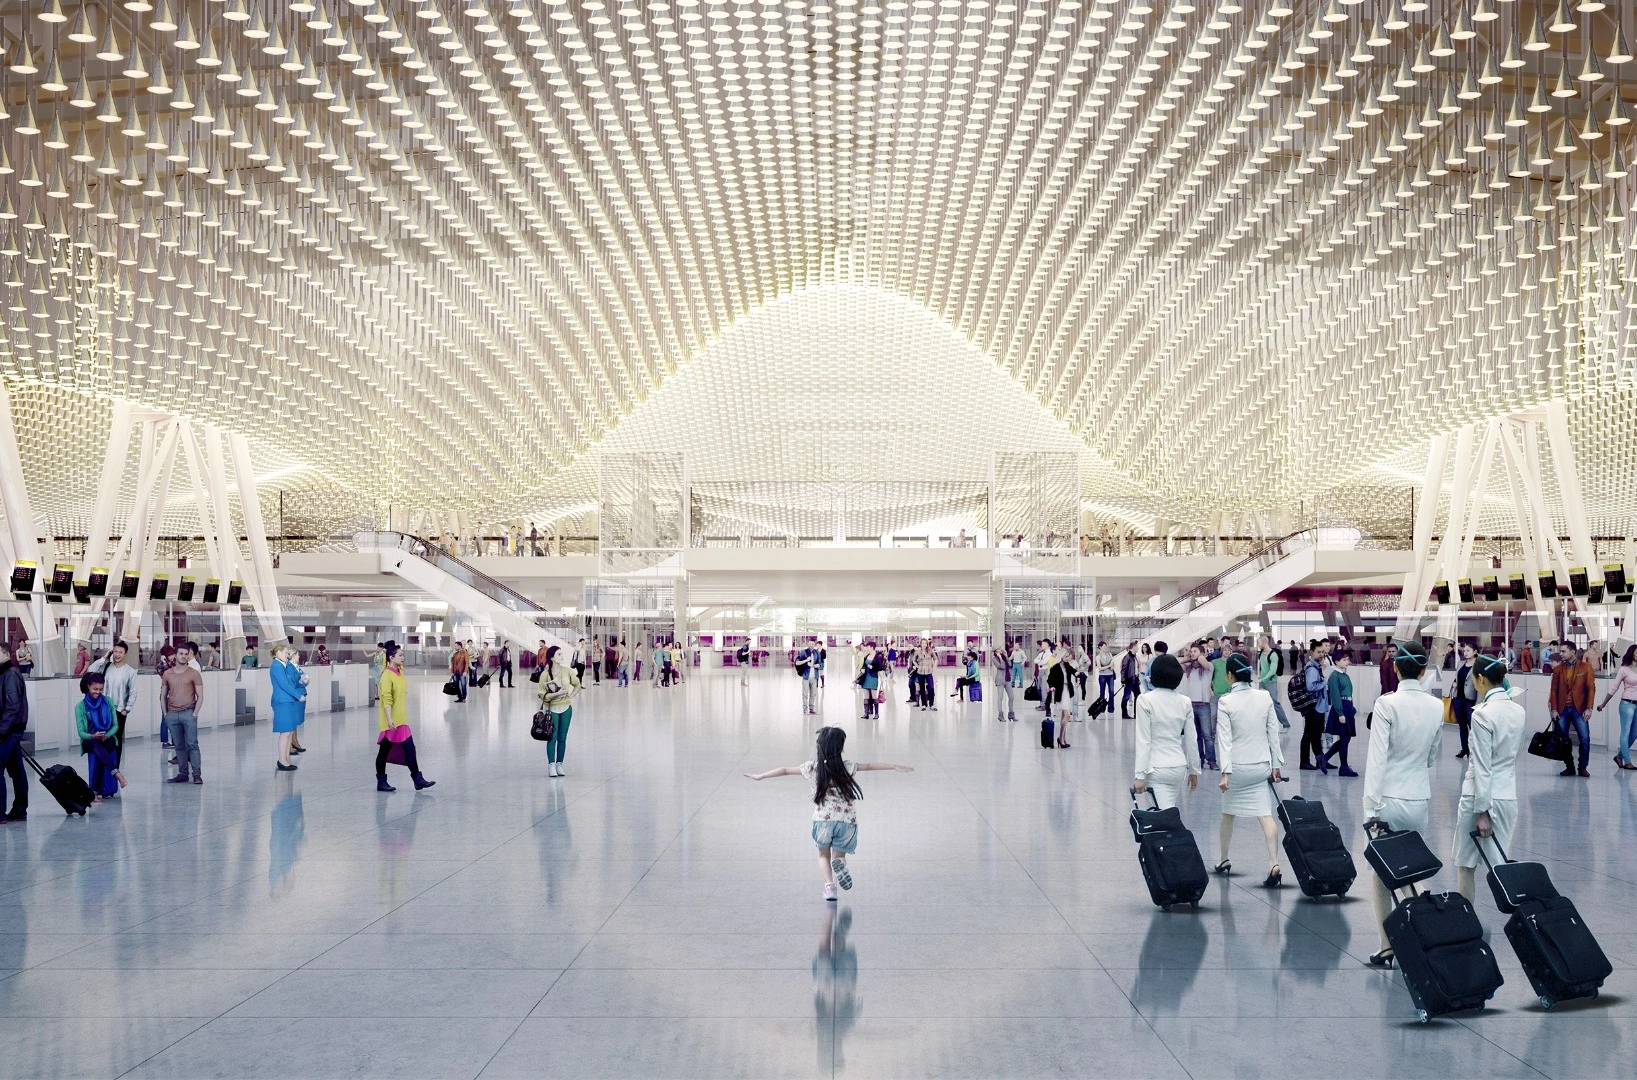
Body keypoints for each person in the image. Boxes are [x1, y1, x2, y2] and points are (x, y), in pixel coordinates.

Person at [743, 726, 914, 901]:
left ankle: (830, 887)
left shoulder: (811, 768)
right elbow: (870, 765)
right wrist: (894, 766)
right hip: (846, 821)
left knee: (823, 856)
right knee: (837, 856)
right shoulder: (847, 767)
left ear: (819, 746)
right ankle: (841, 863)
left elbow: (785, 770)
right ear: (841, 748)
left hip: (822, 821)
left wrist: (761, 776)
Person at [1360, 640, 1445, 968]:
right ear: (1424, 670)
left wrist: (1371, 809)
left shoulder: (1386, 704)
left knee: (1381, 875)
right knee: (1411, 868)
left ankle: (1387, 946)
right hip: (1418, 798)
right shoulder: (1436, 706)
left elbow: (1377, 760)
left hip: (1387, 799)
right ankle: (1426, 932)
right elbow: (1432, 755)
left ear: (1395, 668)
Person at [1453, 654, 1526, 903]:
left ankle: (1465, 921)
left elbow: (1482, 766)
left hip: (1479, 798)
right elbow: (1516, 754)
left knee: (1466, 864)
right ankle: (1526, 917)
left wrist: (1483, 811)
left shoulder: (1482, 714)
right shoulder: (1518, 711)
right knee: (1500, 865)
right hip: (1507, 796)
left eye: (1473, 679)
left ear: (1481, 679)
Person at [1213, 654, 1285, 887]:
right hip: (1261, 766)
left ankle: (1224, 859)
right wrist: (1276, 765)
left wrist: (1225, 772)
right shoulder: (1264, 697)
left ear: (1230, 675)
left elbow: (1224, 740)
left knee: (1228, 814)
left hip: (1237, 769)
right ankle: (1273, 862)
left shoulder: (1226, 702)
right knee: (1265, 815)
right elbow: (1273, 732)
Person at [1132, 654, 1201, 810]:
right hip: (1178, 767)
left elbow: (1144, 740)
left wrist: (1139, 775)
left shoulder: (1145, 700)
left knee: (1164, 814)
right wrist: (1194, 770)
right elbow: (1191, 739)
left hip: (1156, 768)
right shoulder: (1185, 702)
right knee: (1166, 811)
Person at [375, 642, 435, 792]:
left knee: (410, 749)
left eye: (403, 655)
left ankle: (417, 779)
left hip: (402, 719)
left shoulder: (400, 671)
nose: (403, 658)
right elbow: (386, 699)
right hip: (391, 721)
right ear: (391, 657)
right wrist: (389, 719)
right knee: (384, 751)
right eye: (400, 655)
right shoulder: (386, 676)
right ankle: (381, 781)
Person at [1550, 642, 1595, 778]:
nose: (1561, 654)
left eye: (1563, 651)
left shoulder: (1586, 667)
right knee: (1563, 740)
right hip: (1562, 709)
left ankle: (1583, 767)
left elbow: (1591, 688)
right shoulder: (1558, 669)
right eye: (1560, 651)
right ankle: (1569, 766)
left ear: (1573, 652)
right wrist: (1554, 709)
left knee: (1585, 738)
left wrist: (1589, 708)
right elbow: (1554, 690)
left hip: (1579, 709)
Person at [161, 642, 205, 785]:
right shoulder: (167, 674)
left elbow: (200, 696)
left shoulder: (194, 673)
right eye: (181, 654)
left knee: (192, 745)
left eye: (186, 654)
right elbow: (163, 696)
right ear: (175, 655)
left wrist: (195, 714)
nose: (184, 656)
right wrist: (166, 714)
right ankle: (183, 774)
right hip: (173, 714)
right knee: (179, 746)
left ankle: (197, 775)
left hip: (188, 713)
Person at [537, 644, 581, 777]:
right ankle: (551, 765)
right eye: (559, 654)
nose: (562, 656)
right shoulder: (545, 674)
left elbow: (577, 684)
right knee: (552, 737)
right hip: (552, 710)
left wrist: (570, 696)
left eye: (562, 654)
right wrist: (556, 694)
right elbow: (542, 695)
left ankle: (559, 764)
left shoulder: (567, 671)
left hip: (566, 709)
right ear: (552, 658)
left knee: (562, 738)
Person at [76, 671, 120, 801]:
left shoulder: (108, 701)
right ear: (88, 686)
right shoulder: (80, 706)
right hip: (89, 740)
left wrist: (107, 735)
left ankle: (93, 790)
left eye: (101, 689)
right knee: (96, 746)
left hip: (107, 737)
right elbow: (81, 732)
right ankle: (116, 774)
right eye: (95, 689)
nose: (98, 692)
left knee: (101, 750)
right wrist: (93, 736)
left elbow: (115, 725)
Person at [1316, 653, 1359, 777]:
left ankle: (1325, 759)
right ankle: (1343, 766)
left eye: (1347, 659)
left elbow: (1348, 693)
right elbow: (1335, 695)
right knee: (1345, 738)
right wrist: (1340, 713)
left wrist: (1351, 708)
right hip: (1341, 707)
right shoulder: (1334, 676)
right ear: (1336, 662)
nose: (1347, 662)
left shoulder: (1344, 675)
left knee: (1345, 738)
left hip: (1347, 706)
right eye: (1344, 660)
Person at [0, 642, 28, 822]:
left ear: (6, 655)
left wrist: (1, 730)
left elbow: (12, 706)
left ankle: (1, 813)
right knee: (17, 770)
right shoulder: (5, 673)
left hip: (9, 731)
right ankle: (20, 810)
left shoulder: (10, 674)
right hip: (10, 730)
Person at [1598, 644, 1637, 771]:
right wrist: (1603, 704)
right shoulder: (1624, 669)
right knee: (1625, 732)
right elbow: (1614, 688)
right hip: (1627, 704)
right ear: (1631, 653)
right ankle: (1627, 761)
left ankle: (1619, 757)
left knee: (1635, 733)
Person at [270, 644, 307, 772]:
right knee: (285, 732)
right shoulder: (277, 666)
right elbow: (284, 684)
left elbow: (290, 682)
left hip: (288, 700)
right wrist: (298, 696)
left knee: (289, 731)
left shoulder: (282, 665)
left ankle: (286, 759)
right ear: (278, 653)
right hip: (282, 701)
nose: (287, 655)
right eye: (285, 652)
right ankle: (282, 760)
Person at [1180, 643, 1217, 770]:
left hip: (1204, 706)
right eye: (1191, 651)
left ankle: (1211, 760)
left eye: (1194, 651)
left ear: (1202, 654)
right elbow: (1176, 661)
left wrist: (1200, 655)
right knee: (1196, 736)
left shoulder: (1208, 667)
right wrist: (1189, 656)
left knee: (1207, 735)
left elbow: (1203, 661)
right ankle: (1199, 759)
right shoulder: (1188, 668)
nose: (1192, 653)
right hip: (1191, 706)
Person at [1297, 641, 1330, 771]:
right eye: (1318, 652)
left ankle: (1319, 760)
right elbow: (1310, 686)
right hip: (1314, 707)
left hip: (1316, 706)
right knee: (1310, 734)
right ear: (1311, 652)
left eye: (1322, 652)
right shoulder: (1312, 668)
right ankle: (1306, 761)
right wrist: (1324, 682)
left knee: (1315, 734)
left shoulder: (1316, 666)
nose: (1321, 654)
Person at [1256, 634, 1288, 730]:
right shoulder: (1261, 653)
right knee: (1262, 704)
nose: (1258, 645)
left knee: (1274, 703)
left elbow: (1272, 671)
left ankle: (1286, 724)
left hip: (1271, 682)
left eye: (1259, 643)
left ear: (1264, 643)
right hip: (1262, 682)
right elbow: (1262, 667)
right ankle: (1264, 725)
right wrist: (1260, 677)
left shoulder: (1273, 655)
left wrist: (1263, 679)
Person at [1450, 643, 1477, 759]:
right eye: (1464, 650)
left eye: (1468, 650)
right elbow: (1457, 678)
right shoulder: (1460, 664)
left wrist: (1479, 701)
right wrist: (1454, 685)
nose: (1465, 653)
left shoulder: (1478, 665)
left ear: (1475, 652)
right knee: (1462, 725)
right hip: (1458, 697)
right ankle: (1465, 749)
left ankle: (1474, 750)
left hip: (1470, 699)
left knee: (1472, 725)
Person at [857, 644, 883, 720]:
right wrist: (862, 669)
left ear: (872, 648)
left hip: (873, 678)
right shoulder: (866, 656)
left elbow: (880, 668)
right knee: (866, 696)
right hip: (865, 678)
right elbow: (863, 666)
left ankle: (876, 714)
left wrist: (872, 667)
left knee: (874, 696)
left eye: (868, 647)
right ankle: (866, 713)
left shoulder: (877, 657)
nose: (866, 649)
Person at [993, 639, 1017, 721]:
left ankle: (1011, 714)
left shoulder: (1004, 656)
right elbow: (1002, 666)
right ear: (995, 651)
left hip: (1008, 679)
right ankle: (1000, 715)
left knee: (1011, 697)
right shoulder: (994, 658)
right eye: (999, 649)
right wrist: (1000, 658)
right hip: (1000, 680)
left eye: (1000, 648)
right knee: (1000, 697)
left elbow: (1010, 664)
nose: (1001, 649)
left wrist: (1006, 656)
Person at [797, 641, 819, 715]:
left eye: (812, 644)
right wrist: (806, 661)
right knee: (805, 694)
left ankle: (811, 709)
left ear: (814, 644)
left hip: (814, 677)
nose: (811, 645)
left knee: (813, 694)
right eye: (810, 644)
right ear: (808, 644)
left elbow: (820, 664)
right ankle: (805, 709)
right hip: (806, 676)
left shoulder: (817, 652)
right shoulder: (804, 652)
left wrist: (814, 665)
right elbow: (797, 662)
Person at [1118, 642, 1140, 718]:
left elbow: (1136, 669)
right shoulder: (1127, 657)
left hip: (1135, 680)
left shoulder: (1135, 657)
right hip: (1129, 680)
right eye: (1137, 646)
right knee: (1126, 697)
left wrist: (1138, 679)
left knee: (1138, 696)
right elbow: (1123, 670)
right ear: (1133, 647)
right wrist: (1123, 681)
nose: (1138, 647)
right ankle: (1124, 714)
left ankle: (1136, 713)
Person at [1094, 642, 1116, 711]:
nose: (1105, 647)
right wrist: (1109, 666)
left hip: (1110, 675)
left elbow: (1113, 664)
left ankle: (1111, 708)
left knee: (1111, 691)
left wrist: (1111, 666)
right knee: (1102, 692)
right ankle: (1102, 708)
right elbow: (1099, 668)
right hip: (1102, 676)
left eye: (1105, 646)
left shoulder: (1110, 655)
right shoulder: (1098, 657)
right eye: (1103, 646)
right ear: (1100, 647)